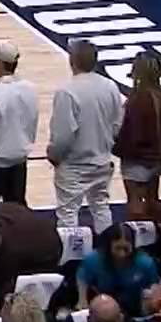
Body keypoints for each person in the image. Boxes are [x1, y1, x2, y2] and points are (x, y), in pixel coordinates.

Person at [49, 39, 125, 232]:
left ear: (72, 60)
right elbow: (118, 125)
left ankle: (71, 251)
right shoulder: (110, 86)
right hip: (102, 160)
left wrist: (54, 155)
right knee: (101, 207)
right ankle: (107, 246)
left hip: (74, 165)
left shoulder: (67, 91)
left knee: (68, 214)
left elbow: (63, 135)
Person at [116, 52, 161, 223]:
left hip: (136, 158)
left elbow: (129, 132)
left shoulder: (136, 99)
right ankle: (159, 231)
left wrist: (117, 148)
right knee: (153, 199)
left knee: (135, 202)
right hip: (157, 157)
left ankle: (140, 235)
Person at [0, 40, 39, 203]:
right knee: (17, 208)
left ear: (0, 63)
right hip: (20, 160)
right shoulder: (30, 88)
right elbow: (32, 122)